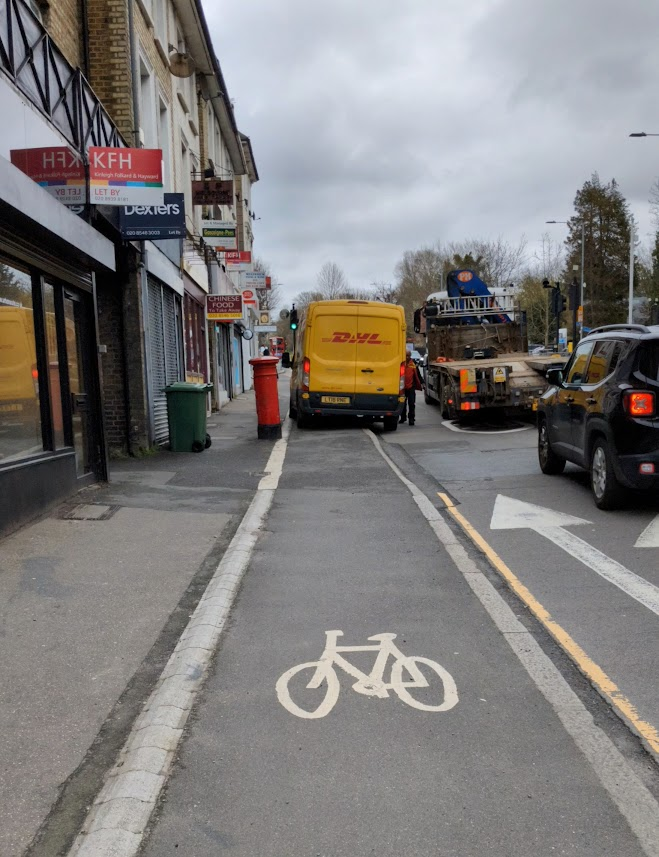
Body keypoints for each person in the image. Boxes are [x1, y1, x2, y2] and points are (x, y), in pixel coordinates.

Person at [400, 350, 423, 425]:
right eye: (406, 356)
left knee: (411, 403)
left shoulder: (413, 364)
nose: (407, 357)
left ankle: (411, 418)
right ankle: (403, 418)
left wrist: (422, 383)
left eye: (409, 356)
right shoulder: (401, 364)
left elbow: (418, 374)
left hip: (411, 387)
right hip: (402, 387)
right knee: (402, 403)